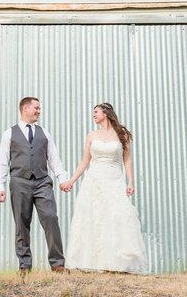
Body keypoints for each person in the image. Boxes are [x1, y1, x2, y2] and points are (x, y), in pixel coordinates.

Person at [62, 102, 147, 273]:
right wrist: (71, 180)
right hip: (93, 181)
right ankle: (93, 262)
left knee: (116, 217)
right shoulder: (91, 135)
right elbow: (85, 161)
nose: (93, 115)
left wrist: (130, 181)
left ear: (106, 113)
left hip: (114, 180)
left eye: (96, 112)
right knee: (94, 218)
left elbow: (127, 159)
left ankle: (117, 262)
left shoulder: (121, 134)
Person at [0, 97, 70, 274]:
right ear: (25, 108)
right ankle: (25, 266)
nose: (39, 111)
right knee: (22, 224)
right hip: (19, 182)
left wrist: (62, 178)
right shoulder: (9, 133)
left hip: (42, 181)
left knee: (51, 218)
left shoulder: (44, 132)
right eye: (36, 108)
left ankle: (57, 264)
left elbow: (54, 158)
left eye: (39, 108)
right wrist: (0, 186)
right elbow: (2, 161)